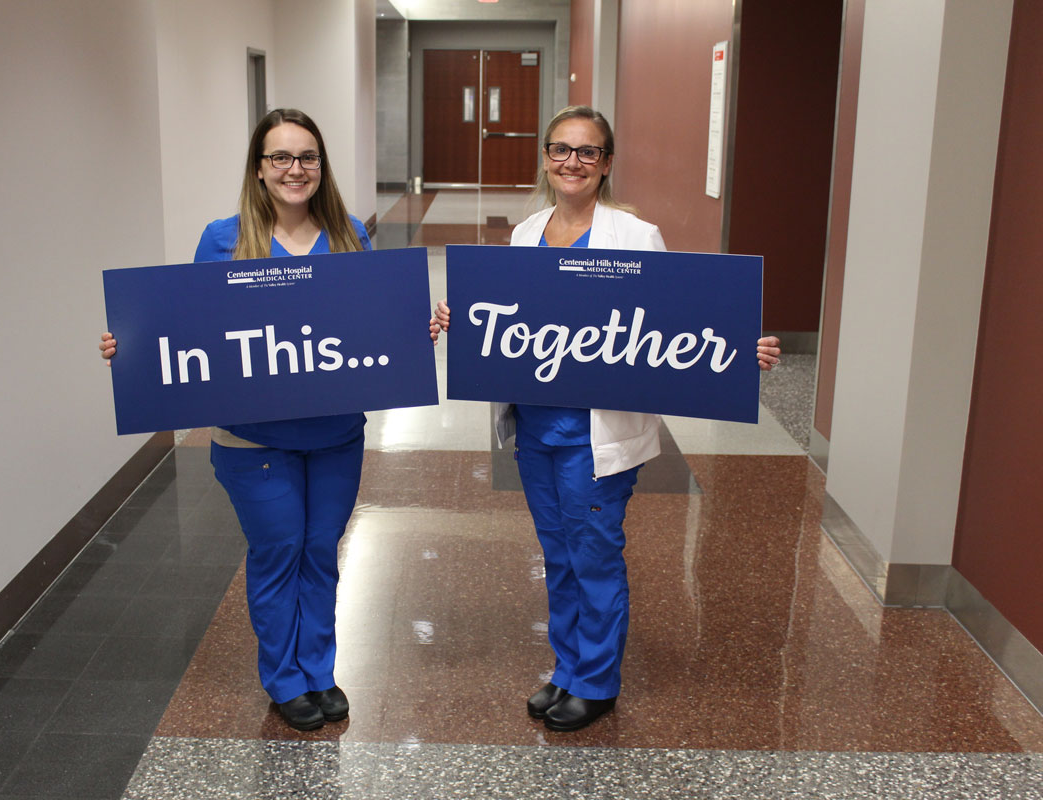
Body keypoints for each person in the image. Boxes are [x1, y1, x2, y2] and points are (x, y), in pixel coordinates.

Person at [430, 106, 781, 732]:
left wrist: (739, 350)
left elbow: (679, 320)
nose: (572, 162)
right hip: (536, 428)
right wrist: (466, 323)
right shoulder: (526, 232)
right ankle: (567, 668)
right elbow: (508, 317)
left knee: (593, 554)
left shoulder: (634, 236)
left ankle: (596, 681)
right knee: (558, 554)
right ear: (544, 157)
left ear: (606, 163)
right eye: (561, 149)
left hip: (598, 433)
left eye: (587, 152)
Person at [100, 109, 371, 732]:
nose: (294, 169)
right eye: (280, 157)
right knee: (279, 550)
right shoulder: (223, 239)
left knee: (321, 551)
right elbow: (189, 326)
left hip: (335, 434)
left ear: (321, 167)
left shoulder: (350, 233)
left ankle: (320, 670)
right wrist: (134, 349)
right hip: (255, 439)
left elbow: (370, 321)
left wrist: (419, 327)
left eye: (306, 157)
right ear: (258, 170)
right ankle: (284, 678)